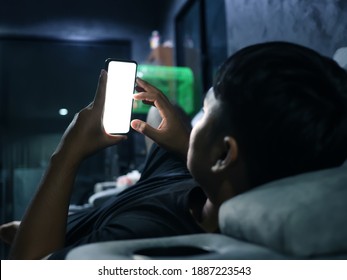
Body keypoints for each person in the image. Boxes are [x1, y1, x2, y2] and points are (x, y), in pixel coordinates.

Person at [3, 41, 347, 259]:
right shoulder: (188, 170)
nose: (193, 125)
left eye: (205, 114)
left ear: (224, 156)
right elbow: (158, 115)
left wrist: (67, 153)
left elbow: (31, 267)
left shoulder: (151, 235)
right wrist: (187, 141)